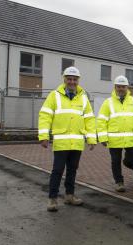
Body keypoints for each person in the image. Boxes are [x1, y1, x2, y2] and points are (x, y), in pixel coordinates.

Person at [38, 66, 97, 212]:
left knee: (72, 170)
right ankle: (52, 199)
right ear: (64, 79)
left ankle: (69, 196)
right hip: (61, 141)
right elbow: (45, 116)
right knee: (57, 170)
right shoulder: (54, 95)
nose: (72, 82)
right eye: (69, 79)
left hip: (77, 142)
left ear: (78, 81)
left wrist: (91, 138)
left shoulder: (83, 98)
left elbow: (89, 119)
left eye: (74, 79)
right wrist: (44, 136)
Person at [97, 76, 133, 193]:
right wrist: (102, 137)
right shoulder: (108, 103)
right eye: (118, 86)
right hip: (114, 139)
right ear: (115, 87)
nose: (121, 89)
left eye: (123, 86)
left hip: (131, 138)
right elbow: (101, 120)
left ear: (127, 88)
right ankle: (119, 183)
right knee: (115, 162)